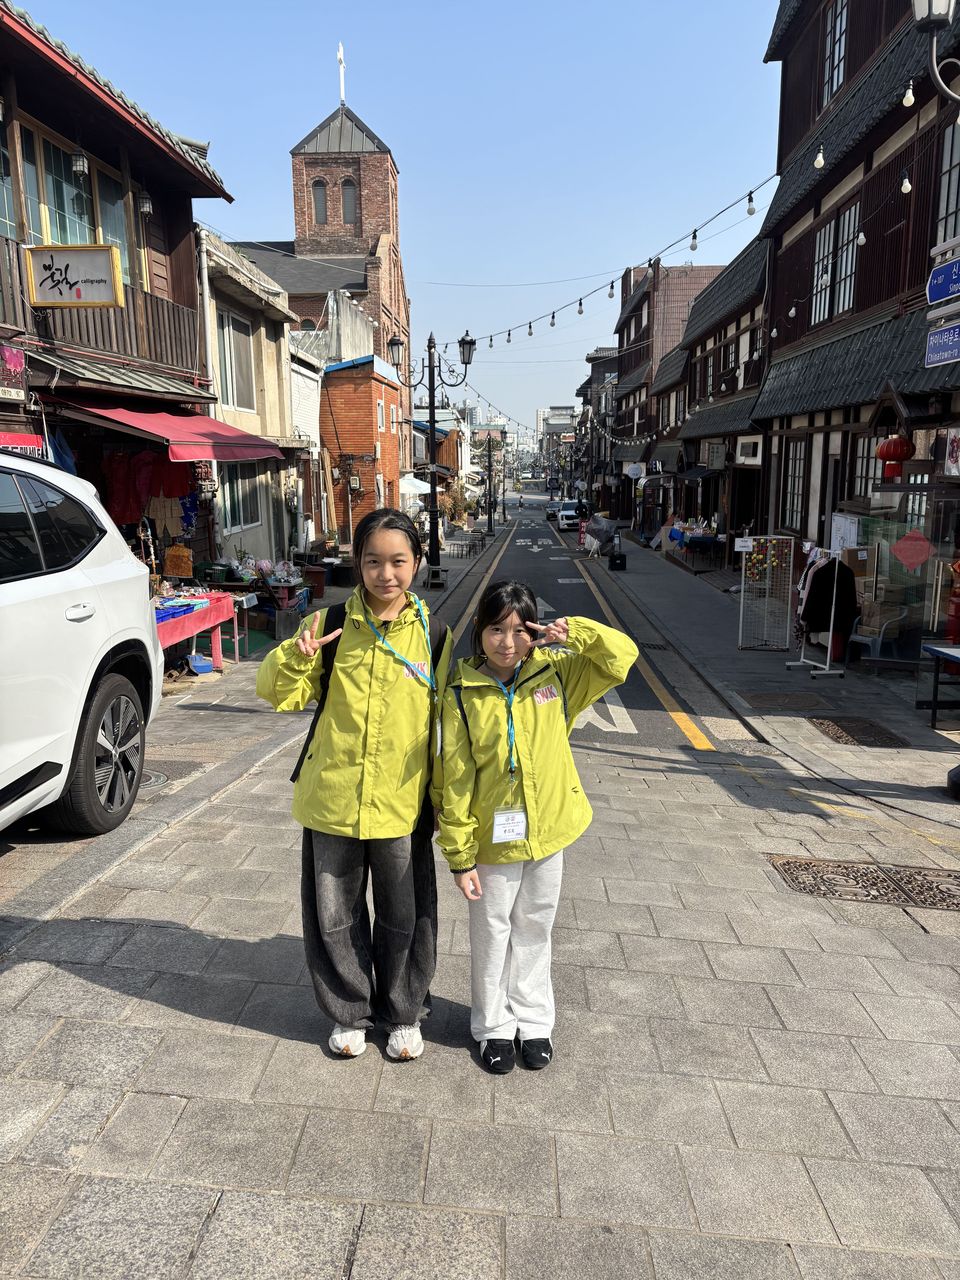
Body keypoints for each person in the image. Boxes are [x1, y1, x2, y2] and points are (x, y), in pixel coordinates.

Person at [257, 509, 453, 1062]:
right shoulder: (328, 624)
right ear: (358, 564)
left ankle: (403, 1011)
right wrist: (294, 659)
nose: (385, 574)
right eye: (372, 561)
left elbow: (446, 725)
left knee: (405, 915)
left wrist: (445, 800)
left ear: (417, 562)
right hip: (334, 797)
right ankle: (348, 1011)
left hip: (401, 802)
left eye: (398, 561)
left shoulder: (436, 635)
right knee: (334, 914)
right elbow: (278, 694)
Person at [435, 580, 637, 1074]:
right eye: (496, 630)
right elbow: (454, 779)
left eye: (519, 631)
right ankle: (493, 1026)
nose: (507, 643)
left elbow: (621, 658)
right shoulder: (461, 692)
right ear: (479, 630)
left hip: (548, 831)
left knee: (535, 928)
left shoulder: (557, 674)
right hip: (492, 840)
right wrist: (460, 856)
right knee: (492, 933)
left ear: (534, 632)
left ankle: (534, 1021)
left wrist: (576, 633)